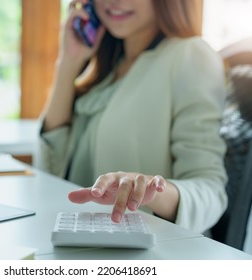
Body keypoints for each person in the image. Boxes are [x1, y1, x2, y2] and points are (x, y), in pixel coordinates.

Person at [36, 0, 228, 233]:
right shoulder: (109, 68)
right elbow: (50, 171)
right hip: (85, 238)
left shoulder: (191, 55)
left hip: (153, 252)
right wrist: (68, 63)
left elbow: (210, 190)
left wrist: (150, 192)